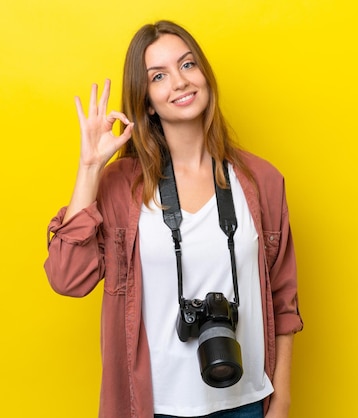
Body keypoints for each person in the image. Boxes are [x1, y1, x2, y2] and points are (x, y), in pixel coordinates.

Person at [44, 20, 303, 418]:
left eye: (187, 65)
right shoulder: (120, 186)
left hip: (248, 401)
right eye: (159, 76)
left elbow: (283, 302)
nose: (179, 82)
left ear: (205, 75)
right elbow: (67, 277)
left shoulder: (262, 181)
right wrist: (90, 168)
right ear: (147, 100)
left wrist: (281, 401)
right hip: (155, 406)